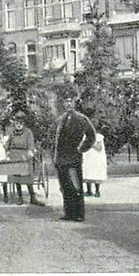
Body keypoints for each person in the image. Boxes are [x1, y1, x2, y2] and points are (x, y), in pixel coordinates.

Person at [53, 93, 96, 222]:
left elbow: (91, 136)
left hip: (73, 159)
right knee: (65, 187)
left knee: (76, 187)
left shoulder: (81, 119)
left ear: (74, 103)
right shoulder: (60, 120)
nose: (68, 104)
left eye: (70, 101)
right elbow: (53, 139)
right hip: (61, 159)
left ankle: (79, 214)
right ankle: (69, 213)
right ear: (63, 104)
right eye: (66, 101)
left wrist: (81, 149)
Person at [6, 111, 46, 206]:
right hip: (14, 155)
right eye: (16, 123)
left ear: (23, 124)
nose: (18, 125)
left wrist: (30, 151)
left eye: (20, 123)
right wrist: (7, 149)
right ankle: (20, 197)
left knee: (27, 175)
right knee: (16, 176)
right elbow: (7, 143)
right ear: (14, 124)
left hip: (25, 156)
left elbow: (31, 144)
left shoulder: (28, 132)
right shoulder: (12, 133)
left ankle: (33, 197)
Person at [83, 131, 108, 198]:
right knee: (87, 173)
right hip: (88, 158)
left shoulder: (98, 136)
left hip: (96, 158)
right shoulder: (84, 136)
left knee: (96, 174)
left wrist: (90, 143)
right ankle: (89, 191)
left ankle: (97, 191)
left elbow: (99, 148)